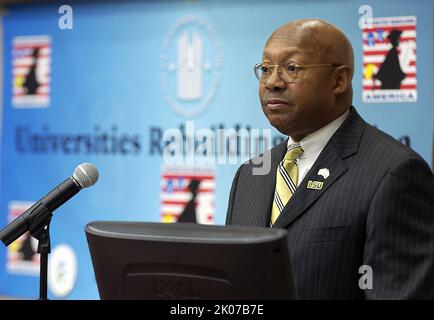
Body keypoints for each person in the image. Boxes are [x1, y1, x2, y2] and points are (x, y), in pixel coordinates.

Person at [225, 19, 434, 299]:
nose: (273, 82)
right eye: (266, 69)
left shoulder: (394, 173)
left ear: (339, 80)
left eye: (292, 68)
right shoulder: (249, 175)